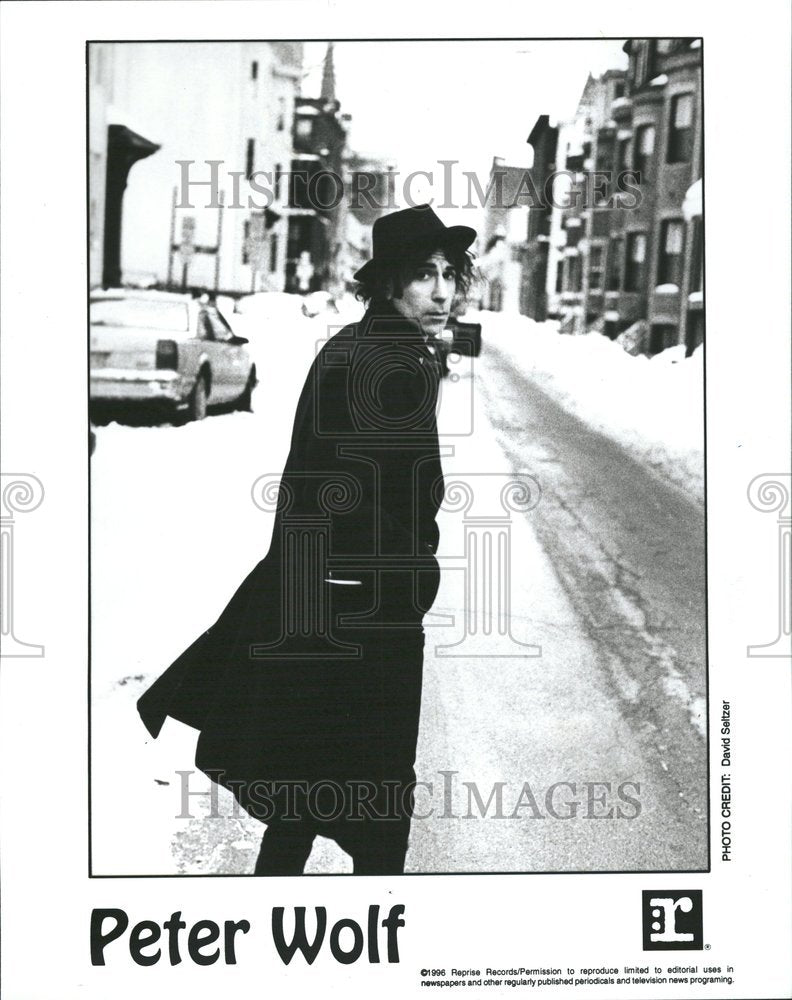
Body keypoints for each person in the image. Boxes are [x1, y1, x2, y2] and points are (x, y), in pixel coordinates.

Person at [137, 204, 477, 874]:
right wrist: (407, 582)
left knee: (303, 784)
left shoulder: (358, 345)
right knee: (379, 798)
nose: (441, 292)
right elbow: (366, 490)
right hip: (367, 612)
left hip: (321, 597)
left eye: (447, 274)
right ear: (387, 284)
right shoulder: (393, 361)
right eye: (422, 276)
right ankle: (382, 942)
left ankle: (276, 922)